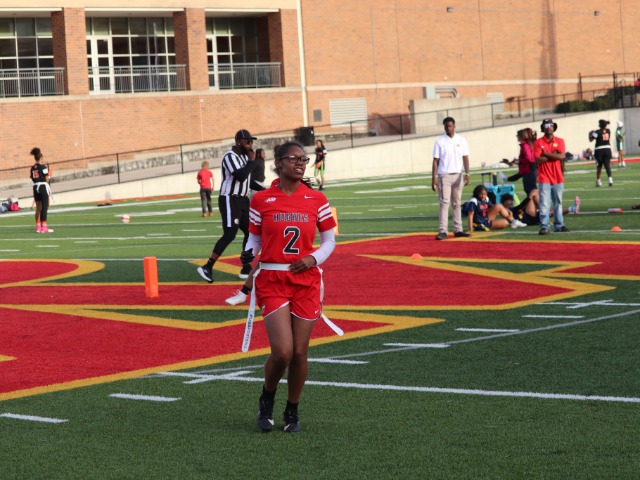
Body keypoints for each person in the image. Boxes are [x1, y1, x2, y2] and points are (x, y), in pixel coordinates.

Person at [242, 140, 336, 433]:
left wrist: (313, 258)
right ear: (278, 162)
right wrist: (248, 253)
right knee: (282, 351)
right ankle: (267, 397)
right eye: (294, 158)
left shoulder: (317, 199)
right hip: (273, 279)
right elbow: (255, 238)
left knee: (299, 353)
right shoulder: (261, 200)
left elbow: (329, 240)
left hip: (306, 281)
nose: (300, 163)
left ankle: (292, 408)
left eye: (303, 159)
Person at [196, 129, 265, 283]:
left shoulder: (244, 158)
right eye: (247, 141)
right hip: (229, 198)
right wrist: (252, 162)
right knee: (230, 234)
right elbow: (240, 176)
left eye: (251, 141)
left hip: (243, 199)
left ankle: (246, 267)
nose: (250, 144)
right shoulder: (230, 156)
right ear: (239, 142)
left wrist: (264, 189)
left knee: (251, 232)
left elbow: (248, 181)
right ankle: (207, 266)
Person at [432, 117, 471, 240]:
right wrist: (433, 178)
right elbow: (435, 160)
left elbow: (465, 157)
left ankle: (458, 230)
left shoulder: (461, 140)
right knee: (444, 203)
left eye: (450, 126)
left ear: (454, 126)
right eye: (446, 126)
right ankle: (443, 231)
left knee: (457, 203)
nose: (448, 128)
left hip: (458, 175)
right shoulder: (440, 141)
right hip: (444, 175)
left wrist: (467, 174)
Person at [534, 118, 569, 235]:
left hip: (557, 177)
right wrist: (553, 155)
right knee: (544, 204)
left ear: (554, 127)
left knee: (558, 203)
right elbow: (537, 159)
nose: (549, 127)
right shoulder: (538, 142)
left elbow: (561, 156)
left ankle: (559, 225)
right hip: (544, 177)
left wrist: (545, 154)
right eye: (546, 125)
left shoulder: (560, 141)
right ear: (543, 128)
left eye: (551, 125)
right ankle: (544, 226)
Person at [500, 191, 580, 227]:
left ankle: (572, 208)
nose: (510, 206)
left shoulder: (514, 209)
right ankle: (546, 211)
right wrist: (529, 197)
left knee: (552, 212)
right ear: (504, 205)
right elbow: (520, 206)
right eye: (508, 205)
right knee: (534, 194)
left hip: (531, 218)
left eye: (511, 204)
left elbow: (520, 207)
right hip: (527, 219)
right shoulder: (508, 211)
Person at [29, 147, 54, 233]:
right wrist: (49, 176)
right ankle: (44, 227)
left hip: (35, 187)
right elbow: (46, 179)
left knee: (38, 208)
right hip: (42, 187)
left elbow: (33, 178)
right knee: (44, 207)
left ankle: (38, 226)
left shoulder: (32, 168)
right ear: (41, 157)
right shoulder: (43, 167)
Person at [589, 119, 613, 187]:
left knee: (599, 166)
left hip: (599, 150)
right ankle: (610, 179)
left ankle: (598, 181)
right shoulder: (608, 131)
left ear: (600, 125)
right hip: (607, 149)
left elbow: (591, 139)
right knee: (607, 165)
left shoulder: (597, 132)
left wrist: (590, 133)